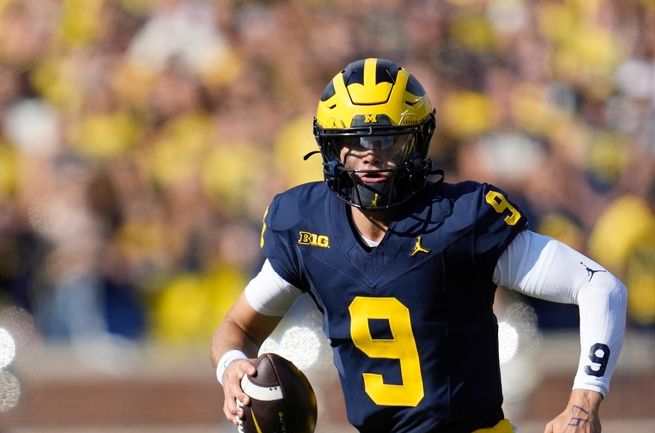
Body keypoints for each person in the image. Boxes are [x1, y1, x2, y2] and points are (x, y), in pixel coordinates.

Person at [211, 58, 627, 433]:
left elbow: (599, 286)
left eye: (388, 141)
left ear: (418, 142)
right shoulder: (306, 224)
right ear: (332, 147)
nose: (371, 156)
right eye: (356, 142)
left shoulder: (461, 219)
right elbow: (237, 330)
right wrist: (231, 368)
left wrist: (584, 400)